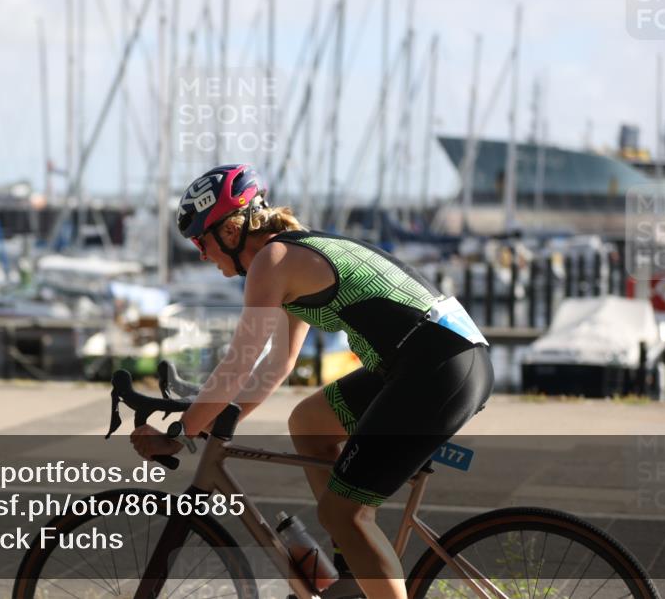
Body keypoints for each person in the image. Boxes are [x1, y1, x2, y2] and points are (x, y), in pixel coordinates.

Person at [131, 164, 494, 599]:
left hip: (437, 367)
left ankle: (353, 539)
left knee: (343, 513)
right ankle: (352, 576)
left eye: (199, 241)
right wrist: (214, 424)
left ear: (230, 231)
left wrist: (181, 433)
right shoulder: (289, 255)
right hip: (431, 361)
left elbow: (238, 364)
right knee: (309, 422)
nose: (202, 255)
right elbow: (275, 366)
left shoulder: (273, 261)